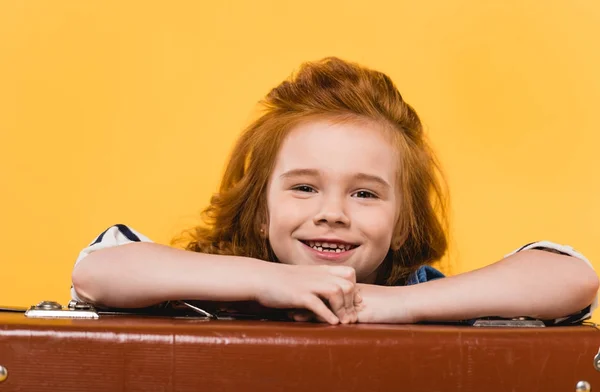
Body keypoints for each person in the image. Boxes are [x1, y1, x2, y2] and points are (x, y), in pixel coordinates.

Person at [71, 57, 599, 325]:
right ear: (260, 212)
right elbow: (97, 270)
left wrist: (395, 304)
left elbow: (571, 276)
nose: (332, 214)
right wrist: (266, 281)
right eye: (304, 187)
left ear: (404, 222)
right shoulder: (209, 291)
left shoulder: (417, 293)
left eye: (365, 195)